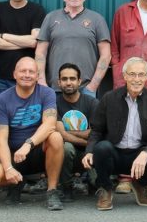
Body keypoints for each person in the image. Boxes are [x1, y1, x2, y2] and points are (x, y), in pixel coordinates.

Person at [82, 57, 147, 211]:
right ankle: (105, 188)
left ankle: (141, 184)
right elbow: (97, 129)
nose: (136, 79)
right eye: (132, 74)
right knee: (102, 148)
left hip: (139, 155)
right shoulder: (109, 98)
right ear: (124, 76)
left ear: (146, 77)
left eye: (140, 74)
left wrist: (146, 153)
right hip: (114, 154)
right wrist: (89, 150)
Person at [0, 57, 64, 210]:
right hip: (13, 154)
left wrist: (28, 145)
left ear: (37, 75)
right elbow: (1, 140)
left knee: (55, 137)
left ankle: (52, 190)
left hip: (37, 151)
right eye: (23, 71)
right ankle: (16, 182)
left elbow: (50, 124)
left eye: (31, 72)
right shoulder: (2, 99)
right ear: (14, 74)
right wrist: (8, 168)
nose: (27, 75)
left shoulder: (47, 93)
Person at [37, 0, 111, 97]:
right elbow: (40, 53)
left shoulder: (97, 19)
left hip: (86, 90)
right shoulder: (51, 18)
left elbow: (106, 55)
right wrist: (42, 83)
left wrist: (92, 86)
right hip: (55, 90)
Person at [54, 62, 99, 200]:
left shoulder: (92, 102)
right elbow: (62, 136)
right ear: (59, 82)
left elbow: (95, 133)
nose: (68, 83)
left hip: (90, 152)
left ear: (79, 81)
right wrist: (85, 137)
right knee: (65, 147)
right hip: (67, 153)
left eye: (72, 79)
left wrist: (67, 132)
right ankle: (66, 187)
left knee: (100, 146)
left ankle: (95, 185)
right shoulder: (53, 102)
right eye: (64, 79)